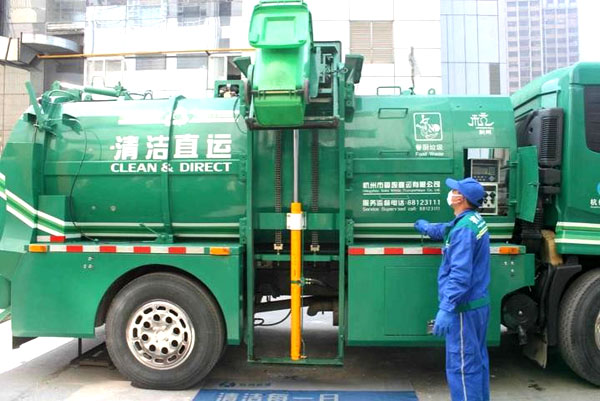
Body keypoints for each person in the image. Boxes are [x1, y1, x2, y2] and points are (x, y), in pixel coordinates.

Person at [414, 177, 491, 401]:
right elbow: (448, 229)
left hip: (464, 309)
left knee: (463, 367)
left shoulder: (464, 230)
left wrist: (447, 307)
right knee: (477, 362)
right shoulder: (472, 221)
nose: (451, 193)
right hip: (478, 305)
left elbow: (460, 275)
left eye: (455, 190)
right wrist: (428, 228)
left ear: (461, 199)